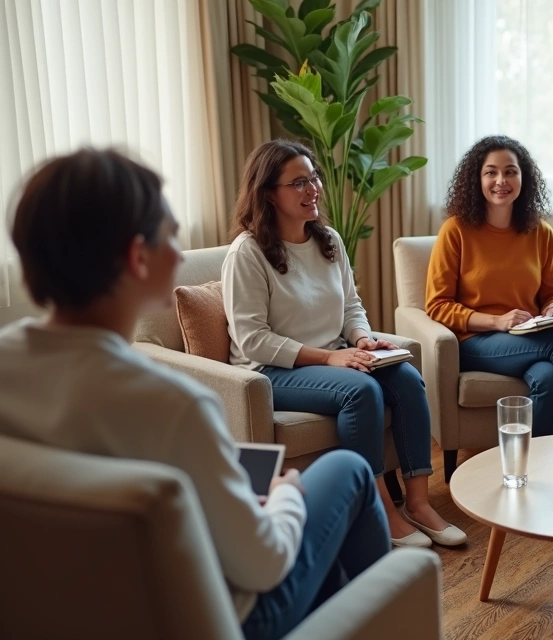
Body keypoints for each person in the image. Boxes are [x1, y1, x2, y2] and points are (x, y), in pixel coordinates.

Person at [0, 148, 396, 640]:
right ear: (136, 258)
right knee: (348, 470)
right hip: (228, 619)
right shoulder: (176, 407)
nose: (180, 250)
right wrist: (285, 496)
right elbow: (264, 564)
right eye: (171, 232)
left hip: (73, 612)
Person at [223, 139, 465, 549]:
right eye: (298, 182)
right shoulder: (247, 253)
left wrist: (364, 339)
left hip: (335, 353)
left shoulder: (328, 240)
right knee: (362, 392)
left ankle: (419, 504)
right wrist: (331, 357)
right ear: (268, 194)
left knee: (406, 380)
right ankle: (379, 511)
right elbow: (253, 339)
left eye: (313, 177)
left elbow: (351, 305)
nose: (313, 188)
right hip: (270, 371)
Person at [426, 135, 553, 437]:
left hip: (528, 338)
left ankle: (532, 467)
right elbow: (438, 304)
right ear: (477, 179)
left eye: (510, 171)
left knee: (549, 377)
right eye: (491, 172)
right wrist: (497, 321)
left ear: (523, 177)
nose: (501, 180)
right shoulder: (455, 231)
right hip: (475, 340)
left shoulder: (540, 231)